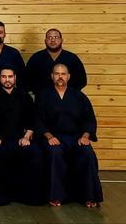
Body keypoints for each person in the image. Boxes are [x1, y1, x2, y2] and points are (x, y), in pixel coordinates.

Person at [36, 63, 103, 208]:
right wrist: (49, 136)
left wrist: (85, 136)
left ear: (68, 76)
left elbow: (89, 119)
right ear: (52, 76)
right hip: (53, 137)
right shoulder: (43, 95)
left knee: (87, 154)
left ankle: (89, 196)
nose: (60, 77)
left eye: (63, 74)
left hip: (76, 137)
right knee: (54, 153)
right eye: (57, 74)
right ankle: (56, 196)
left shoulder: (79, 96)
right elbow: (38, 120)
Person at [0, 66, 43, 205]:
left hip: (19, 138)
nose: (7, 80)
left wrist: (27, 137)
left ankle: (28, 197)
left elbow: (32, 120)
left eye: (10, 77)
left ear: (15, 77)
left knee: (36, 153)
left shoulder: (24, 96)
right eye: (4, 77)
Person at [26, 28, 87, 94]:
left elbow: (82, 80)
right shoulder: (36, 58)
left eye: (56, 37)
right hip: (41, 99)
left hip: (67, 99)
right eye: (49, 37)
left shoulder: (72, 58)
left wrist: (70, 93)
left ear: (61, 40)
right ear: (45, 40)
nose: (52, 40)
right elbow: (26, 80)